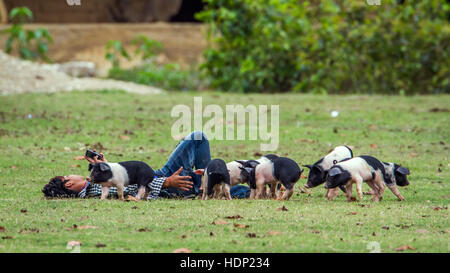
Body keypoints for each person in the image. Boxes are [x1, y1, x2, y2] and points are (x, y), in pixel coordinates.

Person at [42, 131, 251, 200]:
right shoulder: (93, 190)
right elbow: (132, 188)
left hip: (159, 178)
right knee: (197, 138)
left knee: (197, 140)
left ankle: (211, 185)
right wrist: (167, 182)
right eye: (71, 175)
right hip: (163, 181)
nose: (76, 176)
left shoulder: (94, 188)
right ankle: (205, 184)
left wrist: (103, 166)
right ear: (68, 184)